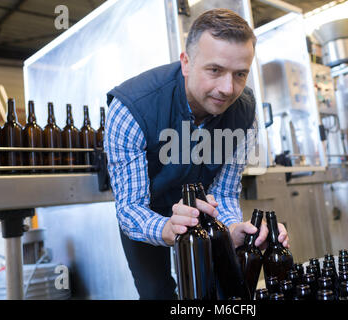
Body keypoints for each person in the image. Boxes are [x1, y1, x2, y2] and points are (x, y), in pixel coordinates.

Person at [104, 9, 290, 300]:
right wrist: (167, 227)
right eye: (214, 70)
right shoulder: (132, 108)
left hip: (203, 214)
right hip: (146, 212)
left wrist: (232, 227)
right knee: (157, 293)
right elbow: (130, 209)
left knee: (218, 290)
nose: (228, 89)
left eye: (240, 74)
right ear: (186, 63)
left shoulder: (245, 114)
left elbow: (225, 193)